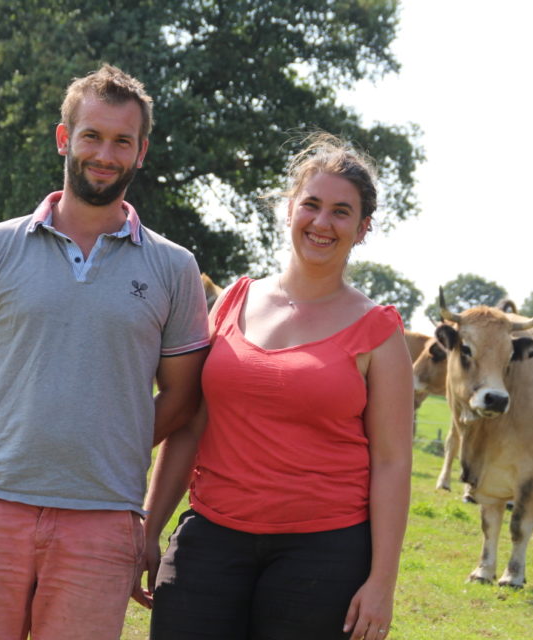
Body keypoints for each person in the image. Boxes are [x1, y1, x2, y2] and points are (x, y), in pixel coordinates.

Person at [0, 64, 210, 640]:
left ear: (141, 152)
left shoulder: (174, 267)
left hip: (103, 519)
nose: (106, 153)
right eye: (92, 136)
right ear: (64, 138)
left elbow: (183, 396)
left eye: (122, 141)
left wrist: (108, 439)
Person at [136, 133, 414, 640]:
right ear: (289, 210)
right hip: (211, 538)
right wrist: (150, 528)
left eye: (341, 212)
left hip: (324, 554)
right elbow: (191, 424)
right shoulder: (232, 301)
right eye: (311, 204)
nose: (322, 222)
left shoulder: (379, 330)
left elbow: (394, 462)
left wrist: (382, 582)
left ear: (363, 228)